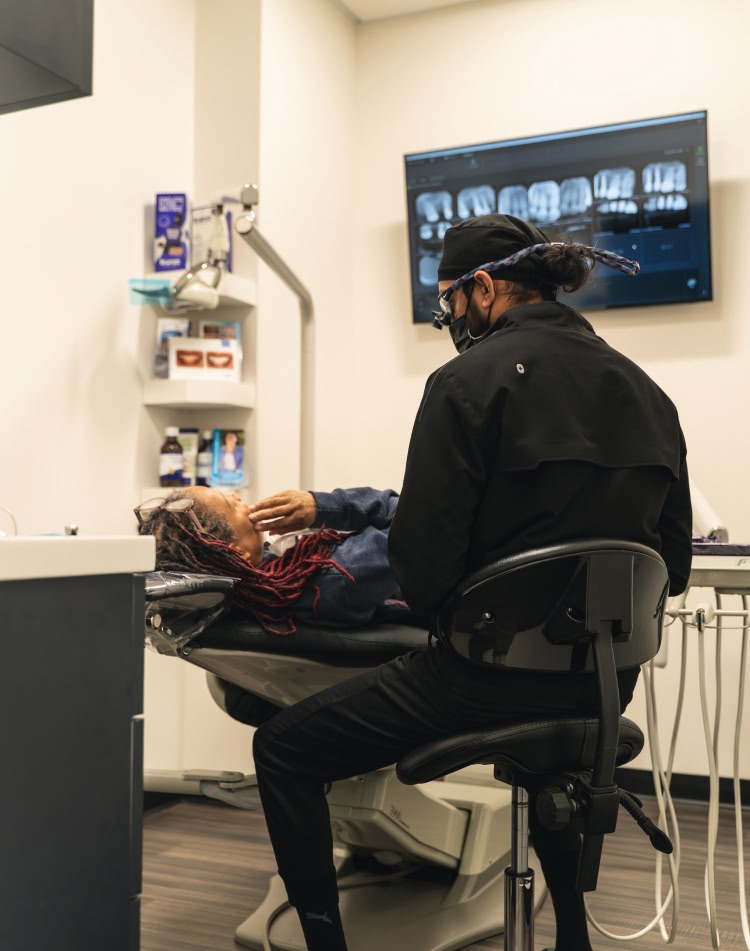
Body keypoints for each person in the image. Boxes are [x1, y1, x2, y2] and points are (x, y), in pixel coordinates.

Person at [249, 214, 693, 951]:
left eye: (450, 300)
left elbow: (423, 576)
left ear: (482, 289)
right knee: (549, 751)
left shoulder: (462, 383)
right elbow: (670, 569)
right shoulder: (651, 395)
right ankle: (572, 939)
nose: (449, 318)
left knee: (282, 749)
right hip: (604, 683)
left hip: (477, 680)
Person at [135, 485, 401, 635]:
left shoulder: (252, 593)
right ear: (237, 554)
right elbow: (420, 525)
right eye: (230, 504)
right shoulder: (334, 577)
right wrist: (321, 505)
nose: (236, 496)